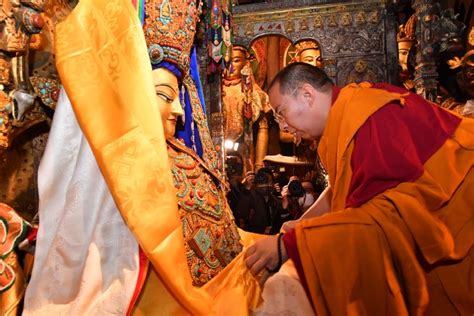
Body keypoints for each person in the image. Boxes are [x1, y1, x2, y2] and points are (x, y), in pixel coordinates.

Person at [245, 62, 474, 315]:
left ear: (307, 95)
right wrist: (297, 226)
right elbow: (342, 189)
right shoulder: (343, 116)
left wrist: (290, 245)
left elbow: (383, 218)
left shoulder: (371, 115)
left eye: (281, 112)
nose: (283, 126)